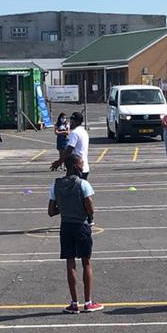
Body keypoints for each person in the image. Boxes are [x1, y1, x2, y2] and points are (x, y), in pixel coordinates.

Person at [49, 154, 101, 313]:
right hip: (81, 225)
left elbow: (51, 211)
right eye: (81, 164)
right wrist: (82, 210)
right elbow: (90, 208)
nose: (82, 167)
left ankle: (73, 303)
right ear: (74, 167)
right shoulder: (83, 184)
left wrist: (64, 209)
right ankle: (88, 302)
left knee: (70, 262)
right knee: (86, 262)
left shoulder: (56, 184)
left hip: (66, 226)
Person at [51, 111, 91, 181]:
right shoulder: (83, 131)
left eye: (73, 120)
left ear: (78, 122)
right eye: (71, 120)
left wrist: (59, 162)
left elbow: (69, 150)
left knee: (72, 190)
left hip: (76, 168)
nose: (71, 122)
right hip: (84, 167)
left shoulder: (75, 133)